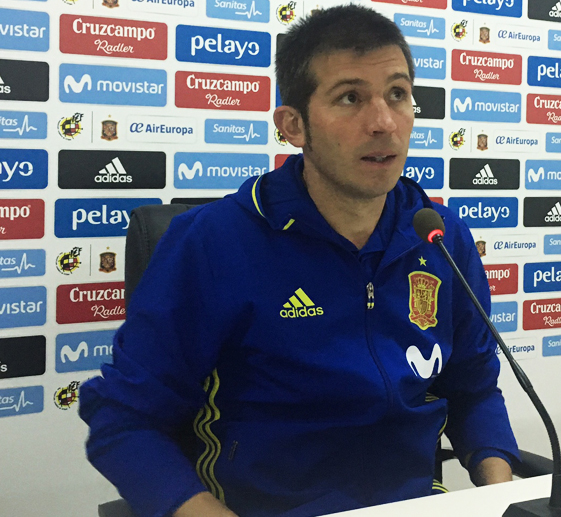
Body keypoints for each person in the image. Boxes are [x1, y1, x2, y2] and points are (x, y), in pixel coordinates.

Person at [79, 5, 519, 517]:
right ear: (294, 125)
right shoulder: (212, 242)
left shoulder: (440, 237)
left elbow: (474, 389)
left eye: (397, 95)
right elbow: (125, 421)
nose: (383, 123)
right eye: (350, 98)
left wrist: (499, 493)